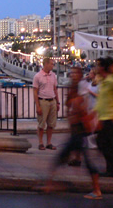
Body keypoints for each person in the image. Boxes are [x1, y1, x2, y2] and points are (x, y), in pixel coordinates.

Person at [44, 67, 102, 199]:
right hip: (76, 131)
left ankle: (97, 190)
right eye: (72, 73)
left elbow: (82, 105)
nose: (73, 75)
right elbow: (70, 104)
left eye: (76, 73)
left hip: (80, 130)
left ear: (80, 75)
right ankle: (49, 184)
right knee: (63, 157)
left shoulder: (81, 87)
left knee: (84, 162)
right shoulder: (73, 87)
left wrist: (77, 109)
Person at [33, 57, 59, 150]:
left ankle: (49, 142)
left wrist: (57, 102)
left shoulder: (53, 75)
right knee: (41, 124)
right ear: (46, 64)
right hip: (43, 101)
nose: (53, 65)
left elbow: (55, 89)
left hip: (52, 101)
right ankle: (40, 142)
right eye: (51, 64)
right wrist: (38, 106)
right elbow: (35, 91)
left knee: (51, 124)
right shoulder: (38, 76)